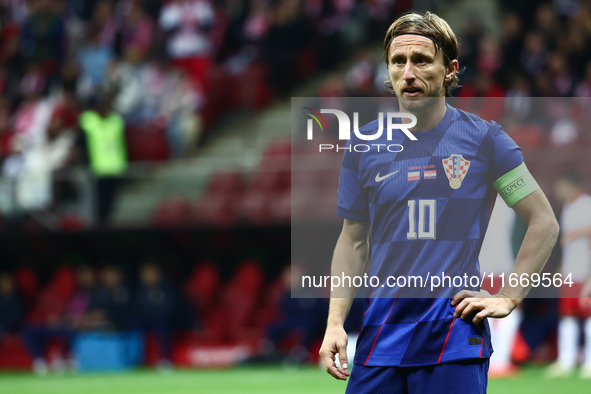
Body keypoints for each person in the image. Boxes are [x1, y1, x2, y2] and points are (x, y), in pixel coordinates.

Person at [318, 11, 559, 394]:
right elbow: (353, 240)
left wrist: (509, 295)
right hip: (379, 342)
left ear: (450, 70)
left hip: (453, 342)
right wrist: (335, 323)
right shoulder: (362, 145)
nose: (408, 72)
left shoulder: (486, 140)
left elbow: (543, 221)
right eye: (398, 62)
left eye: (422, 60)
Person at [546, 172, 591, 379]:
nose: (557, 192)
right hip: (570, 271)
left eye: (560, 187)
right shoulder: (567, 207)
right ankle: (566, 361)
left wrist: (576, 234)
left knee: (588, 317)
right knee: (567, 316)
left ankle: (589, 363)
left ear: (569, 184)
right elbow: (566, 244)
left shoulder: (585, 203)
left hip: (585, 271)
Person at [130, 262, 175, 370]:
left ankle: (165, 359)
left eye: (150, 273)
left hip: (160, 319)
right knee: (133, 326)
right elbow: (136, 309)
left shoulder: (166, 288)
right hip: (144, 320)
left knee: (163, 327)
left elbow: (170, 307)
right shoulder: (139, 290)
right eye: (145, 274)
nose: (148, 276)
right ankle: (137, 360)